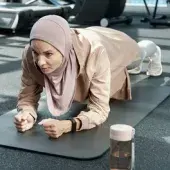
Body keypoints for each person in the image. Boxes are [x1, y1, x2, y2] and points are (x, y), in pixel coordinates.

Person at [14, 15, 162, 139]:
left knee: (137, 56)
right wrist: (27, 113)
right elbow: (27, 95)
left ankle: (154, 49)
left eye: (48, 54)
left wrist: (69, 125)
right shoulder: (30, 53)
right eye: (36, 53)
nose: (40, 62)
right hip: (77, 38)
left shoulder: (95, 52)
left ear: (63, 49)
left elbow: (99, 109)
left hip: (112, 44)